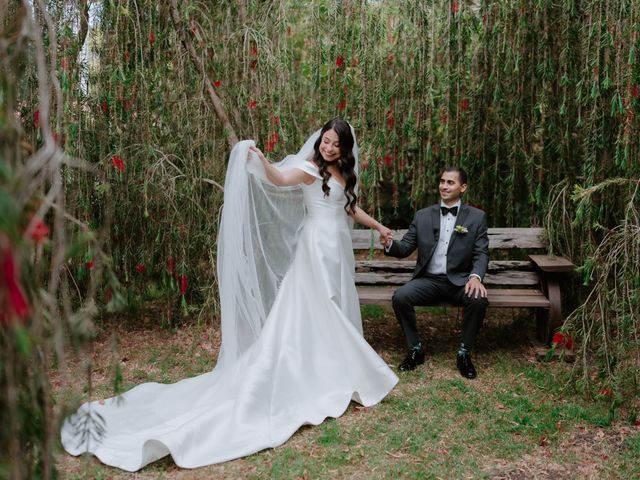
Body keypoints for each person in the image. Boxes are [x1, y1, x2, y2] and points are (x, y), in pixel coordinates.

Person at [61, 118, 398, 471]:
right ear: (319, 142)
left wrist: (378, 227)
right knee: (322, 305)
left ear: (344, 148)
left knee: (332, 309)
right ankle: (339, 372)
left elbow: (348, 207)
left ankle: (331, 368)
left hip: (336, 247)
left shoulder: (341, 172)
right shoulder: (307, 168)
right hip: (315, 247)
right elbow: (278, 180)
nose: (329, 148)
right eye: (325, 141)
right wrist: (259, 160)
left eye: (335, 144)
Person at [382, 167, 489, 379]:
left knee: (478, 300)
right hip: (428, 280)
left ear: (463, 187)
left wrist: (475, 277)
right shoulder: (422, 216)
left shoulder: (476, 217)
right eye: (442, 181)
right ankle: (415, 349)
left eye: (450, 182)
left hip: (459, 281)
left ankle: (464, 353)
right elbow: (405, 248)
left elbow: (481, 253)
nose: (444, 186)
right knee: (401, 297)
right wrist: (389, 245)